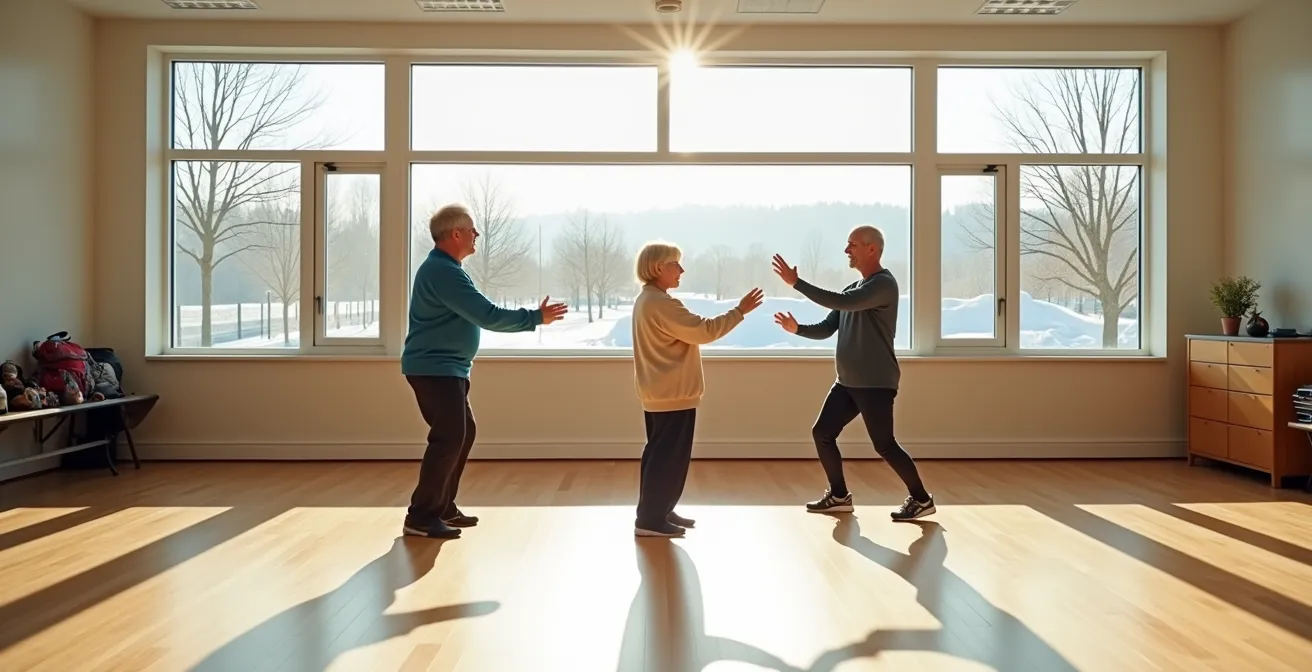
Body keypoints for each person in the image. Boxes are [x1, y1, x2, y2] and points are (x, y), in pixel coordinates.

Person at [401, 204, 568, 539]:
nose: (477, 235)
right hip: (435, 369)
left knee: (464, 432)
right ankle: (420, 516)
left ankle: (443, 506)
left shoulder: (448, 268)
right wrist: (535, 318)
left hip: (448, 368)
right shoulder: (442, 271)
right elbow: (487, 314)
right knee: (449, 437)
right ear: (456, 233)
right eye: (472, 230)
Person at [770, 226, 935, 522]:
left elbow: (841, 303)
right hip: (846, 383)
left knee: (884, 445)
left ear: (872, 249)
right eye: (847, 245)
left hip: (875, 383)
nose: (847, 250)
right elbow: (827, 327)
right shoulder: (852, 290)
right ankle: (839, 495)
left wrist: (797, 283)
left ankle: (922, 499)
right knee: (822, 433)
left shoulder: (883, 285)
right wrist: (799, 330)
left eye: (853, 245)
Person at [630, 241, 763, 537]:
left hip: (659, 392)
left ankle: (659, 510)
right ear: (657, 268)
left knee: (660, 454)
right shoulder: (661, 303)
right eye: (675, 264)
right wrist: (740, 311)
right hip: (672, 394)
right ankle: (651, 519)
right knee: (668, 458)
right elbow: (704, 331)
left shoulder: (648, 300)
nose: (681, 270)